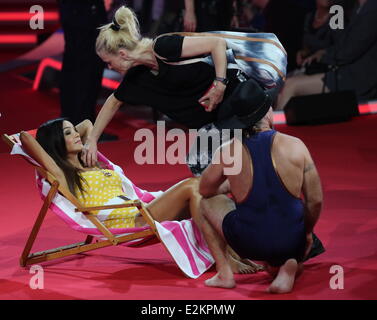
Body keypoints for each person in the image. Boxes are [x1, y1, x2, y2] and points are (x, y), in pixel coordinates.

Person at [19, 118, 262, 273]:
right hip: (129, 220)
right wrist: (47, 132)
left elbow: (86, 124)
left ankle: (231, 253)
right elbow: (26, 138)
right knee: (193, 186)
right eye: (68, 134)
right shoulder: (62, 175)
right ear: (55, 144)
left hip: (140, 209)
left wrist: (83, 138)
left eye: (73, 132)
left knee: (206, 195)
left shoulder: (90, 161)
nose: (76, 135)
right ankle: (225, 260)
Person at [81, 5, 284, 175]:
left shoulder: (163, 47)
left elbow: (217, 44)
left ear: (123, 54)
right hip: (219, 118)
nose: (109, 68)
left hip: (244, 99)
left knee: (260, 161)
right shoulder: (137, 76)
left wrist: (219, 84)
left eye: (109, 62)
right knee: (202, 167)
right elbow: (113, 102)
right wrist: (92, 140)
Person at [195, 97, 324, 293]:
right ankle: (290, 263)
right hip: (293, 240)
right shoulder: (295, 145)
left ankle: (224, 273)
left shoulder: (229, 150)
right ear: (266, 114)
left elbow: (205, 190)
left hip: (250, 243)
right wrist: (306, 234)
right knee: (283, 241)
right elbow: (315, 200)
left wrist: (233, 183)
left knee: (204, 204)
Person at [276, 0, 377, 110]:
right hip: (338, 69)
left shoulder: (367, 9)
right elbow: (340, 43)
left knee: (290, 85)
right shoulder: (351, 7)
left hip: (355, 77)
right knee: (282, 83)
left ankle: (274, 125)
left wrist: (322, 54)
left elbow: (347, 50)